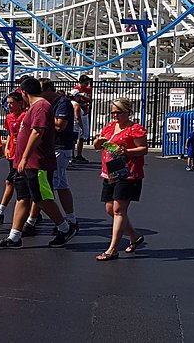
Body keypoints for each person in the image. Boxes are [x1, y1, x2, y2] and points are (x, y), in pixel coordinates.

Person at [0, 76, 78, 250]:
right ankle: (14, 237)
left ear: (24, 92)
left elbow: (37, 133)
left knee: (42, 198)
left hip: (38, 163)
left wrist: (24, 157)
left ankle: (65, 228)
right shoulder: (33, 108)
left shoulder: (41, 107)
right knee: (22, 198)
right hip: (26, 163)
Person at [93, 98, 147, 261]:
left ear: (127, 112)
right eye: (113, 112)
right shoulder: (109, 127)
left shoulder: (134, 129)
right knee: (110, 208)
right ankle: (134, 236)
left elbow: (143, 149)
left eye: (119, 112)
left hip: (128, 173)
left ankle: (113, 249)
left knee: (118, 210)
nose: (115, 115)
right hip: (111, 172)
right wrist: (98, 141)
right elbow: (98, 145)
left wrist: (126, 151)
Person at [41, 78, 79, 234]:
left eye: (42, 91)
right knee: (62, 185)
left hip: (60, 148)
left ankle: (61, 224)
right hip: (55, 147)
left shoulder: (63, 103)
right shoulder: (51, 104)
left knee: (48, 187)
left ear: (49, 90)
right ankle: (71, 218)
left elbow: (59, 126)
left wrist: (41, 120)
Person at [0, 90, 27, 227]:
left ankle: (1, 211)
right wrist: (6, 147)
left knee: (12, 182)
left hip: (22, 154)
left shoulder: (25, 116)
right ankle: (2, 211)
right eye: (8, 104)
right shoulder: (9, 117)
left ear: (20, 103)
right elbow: (10, 134)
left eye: (12, 103)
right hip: (13, 153)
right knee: (13, 182)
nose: (10, 106)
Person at [70, 74, 92, 164]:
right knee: (74, 135)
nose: (87, 85)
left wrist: (83, 98)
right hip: (77, 114)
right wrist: (82, 102)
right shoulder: (75, 89)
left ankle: (79, 154)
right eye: (85, 83)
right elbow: (74, 100)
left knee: (82, 136)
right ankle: (72, 155)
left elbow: (89, 100)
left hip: (84, 114)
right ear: (80, 82)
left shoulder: (88, 89)